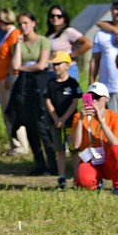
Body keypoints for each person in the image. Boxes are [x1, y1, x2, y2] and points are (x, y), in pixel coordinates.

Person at [90, 0, 118, 167]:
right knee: (106, 127)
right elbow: (95, 60)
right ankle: (111, 162)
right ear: (111, 10)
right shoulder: (101, 34)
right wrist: (91, 82)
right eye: (116, 9)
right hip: (105, 88)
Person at [13, 12, 55, 177]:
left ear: (33, 23)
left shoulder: (43, 41)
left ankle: (53, 163)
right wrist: (18, 45)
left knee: (42, 124)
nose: (23, 26)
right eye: (21, 24)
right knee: (29, 123)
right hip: (24, 85)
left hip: (40, 83)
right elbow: (16, 64)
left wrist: (24, 67)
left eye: (26, 23)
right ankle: (39, 163)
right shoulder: (20, 43)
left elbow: (41, 65)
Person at [69, 82, 118, 194]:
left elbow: (116, 142)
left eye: (97, 97)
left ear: (105, 99)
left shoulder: (115, 117)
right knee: (83, 180)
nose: (94, 100)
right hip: (91, 160)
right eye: (91, 97)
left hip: (108, 161)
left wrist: (102, 121)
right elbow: (75, 145)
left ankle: (117, 185)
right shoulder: (78, 117)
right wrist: (81, 119)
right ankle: (95, 183)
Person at [0, 8, 28, 156]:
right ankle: (15, 144)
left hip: (8, 78)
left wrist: (8, 76)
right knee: (8, 112)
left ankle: (20, 146)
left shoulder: (13, 35)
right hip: (1, 78)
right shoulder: (7, 36)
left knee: (12, 112)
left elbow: (15, 58)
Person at [44, 50, 81, 189]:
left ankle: (77, 177)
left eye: (59, 64)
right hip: (56, 123)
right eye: (54, 64)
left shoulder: (72, 83)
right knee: (59, 150)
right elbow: (48, 101)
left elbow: (74, 102)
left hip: (71, 122)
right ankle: (62, 177)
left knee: (74, 150)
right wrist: (56, 118)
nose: (56, 67)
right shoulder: (50, 83)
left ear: (67, 65)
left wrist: (64, 118)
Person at [46, 5, 89, 81]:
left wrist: (71, 56)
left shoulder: (68, 31)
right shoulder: (49, 35)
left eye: (59, 16)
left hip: (68, 70)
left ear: (64, 18)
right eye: (52, 16)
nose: (55, 18)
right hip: (53, 71)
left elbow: (87, 43)